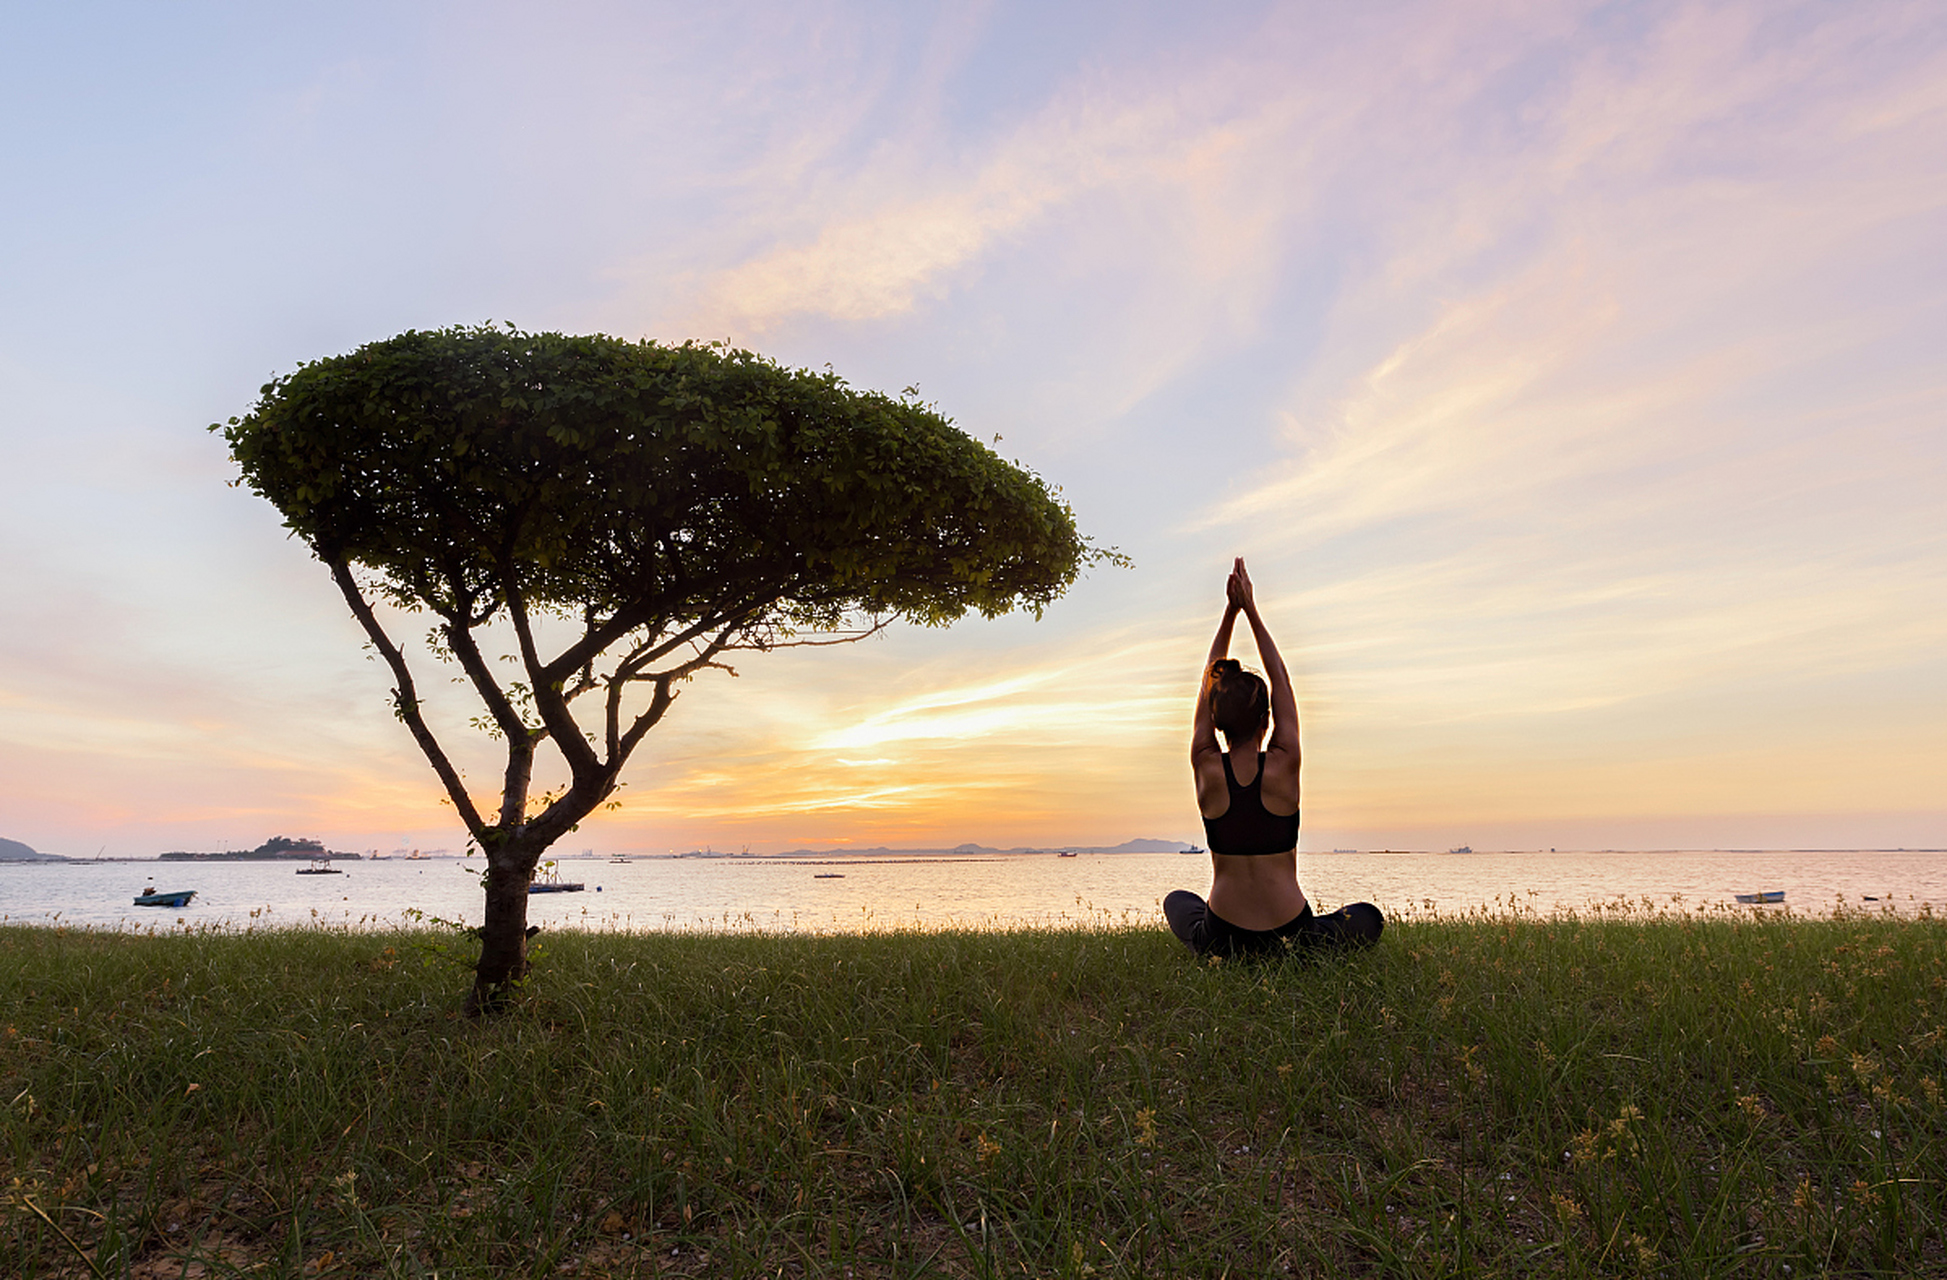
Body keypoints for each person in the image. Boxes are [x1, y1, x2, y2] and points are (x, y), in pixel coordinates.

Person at [1164, 558, 1383, 959]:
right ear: (1268, 720)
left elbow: (1206, 682)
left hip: (1223, 936)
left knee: (1177, 901)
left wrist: (1229, 613)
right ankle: (1305, 946)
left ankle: (1210, 948)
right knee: (1368, 917)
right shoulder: (1285, 763)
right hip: (1292, 934)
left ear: (1215, 719)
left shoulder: (1205, 765)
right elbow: (1280, 677)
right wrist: (1251, 608)